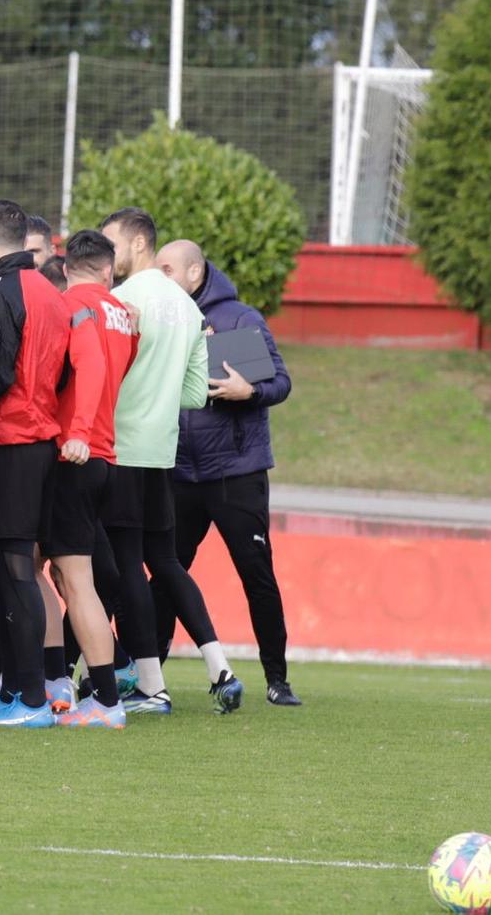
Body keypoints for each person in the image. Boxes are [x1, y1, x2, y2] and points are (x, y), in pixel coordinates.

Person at [103, 208, 240, 715]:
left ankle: (150, 684)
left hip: (120, 449)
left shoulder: (119, 302)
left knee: (127, 567)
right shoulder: (187, 308)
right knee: (164, 561)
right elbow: (194, 394)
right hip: (162, 453)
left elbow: (103, 379)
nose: (106, 251)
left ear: (138, 244)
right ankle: (218, 666)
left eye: (111, 241)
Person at [159, 239, 299, 707]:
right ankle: (149, 679)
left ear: (195, 272)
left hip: (236, 472)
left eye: (168, 269)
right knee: (166, 572)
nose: (160, 278)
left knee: (256, 575)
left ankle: (277, 680)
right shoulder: (162, 317)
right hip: (179, 471)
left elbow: (281, 382)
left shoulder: (241, 318)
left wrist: (249, 391)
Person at [0, 198, 69, 728]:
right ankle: (17, 686)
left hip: (8, 441)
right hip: (41, 441)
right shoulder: (53, 296)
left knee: (12, 565)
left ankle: (30, 697)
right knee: (6, 565)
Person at [43, 229, 139, 728]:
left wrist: (76, 429)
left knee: (74, 582)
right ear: (108, 269)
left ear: (64, 267)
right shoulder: (121, 313)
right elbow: (123, 359)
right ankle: (54, 679)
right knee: (51, 572)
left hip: (74, 454)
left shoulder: (70, 307)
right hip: (104, 454)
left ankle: (102, 699)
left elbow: (93, 364)